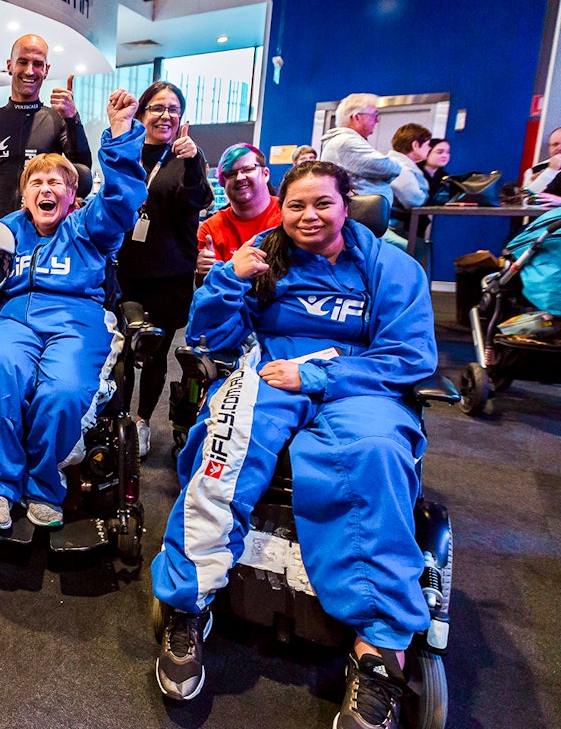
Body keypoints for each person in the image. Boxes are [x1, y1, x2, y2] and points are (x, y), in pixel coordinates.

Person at [151, 161, 437, 729]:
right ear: (280, 206)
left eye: (323, 204)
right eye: (297, 205)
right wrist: (229, 279)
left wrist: (318, 377)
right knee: (224, 442)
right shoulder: (262, 256)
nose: (309, 216)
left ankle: (377, 650)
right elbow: (209, 337)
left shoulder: (391, 267)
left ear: (346, 203)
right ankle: (188, 604)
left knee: (374, 453)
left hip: (358, 381)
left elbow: (410, 356)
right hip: (269, 370)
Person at [0, 88, 145, 530]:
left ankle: (45, 486)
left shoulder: (88, 226)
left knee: (62, 392)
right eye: (36, 183)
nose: (46, 189)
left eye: (56, 183)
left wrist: (119, 132)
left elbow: (121, 201)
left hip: (78, 319)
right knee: (2, 368)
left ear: (72, 194)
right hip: (17, 316)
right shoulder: (6, 230)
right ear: (23, 196)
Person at [115, 82, 213, 459]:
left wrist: (191, 162)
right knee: (121, 351)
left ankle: (142, 422)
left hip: (171, 274)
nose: (165, 115)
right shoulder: (130, 153)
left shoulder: (188, 155)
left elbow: (194, 202)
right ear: (142, 113)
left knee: (155, 356)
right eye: (157, 107)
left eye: (173, 108)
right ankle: (120, 419)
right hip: (127, 270)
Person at [0, 33, 92, 227]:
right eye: (22, 62)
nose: (30, 71)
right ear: (10, 65)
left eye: (38, 64)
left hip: (41, 233)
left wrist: (73, 119)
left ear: (46, 70)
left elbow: (81, 171)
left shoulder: (57, 120)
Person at [196, 143, 281, 275]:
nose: (240, 177)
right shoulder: (211, 230)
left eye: (247, 169)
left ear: (265, 174)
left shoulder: (290, 214)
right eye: (230, 174)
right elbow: (210, 290)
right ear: (222, 183)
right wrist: (203, 271)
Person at [320, 92, 400, 205]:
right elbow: (388, 167)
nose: (377, 120)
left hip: (364, 214)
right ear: (357, 117)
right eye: (374, 115)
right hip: (359, 216)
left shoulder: (347, 140)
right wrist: (396, 165)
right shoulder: (346, 142)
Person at [388, 122, 432, 220]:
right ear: (415, 145)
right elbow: (415, 201)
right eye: (427, 144)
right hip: (396, 226)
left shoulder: (392, 163)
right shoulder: (401, 168)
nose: (429, 148)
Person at [523, 126, 561, 208]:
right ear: (549, 148)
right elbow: (526, 199)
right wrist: (551, 171)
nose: (559, 148)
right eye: (555, 144)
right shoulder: (534, 170)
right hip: (541, 219)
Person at [418, 138, 451, 204]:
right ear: (427, 152)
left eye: (447, 152)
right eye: (439, 152)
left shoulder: (445, 177)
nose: (445, 156)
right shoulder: (415, 172)